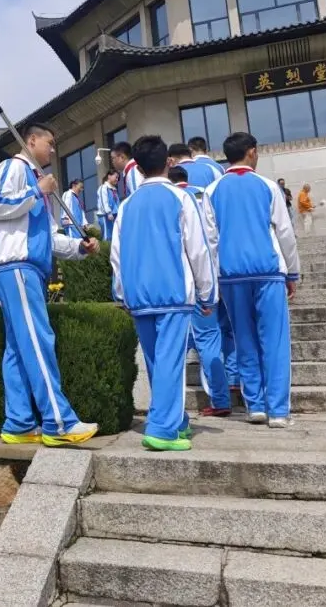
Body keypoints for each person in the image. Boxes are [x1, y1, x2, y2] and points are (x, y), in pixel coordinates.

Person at [0, 123, 99, 447]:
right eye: (49, 143)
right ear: (32, 140)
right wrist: (37, 191)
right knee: (39, 340)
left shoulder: (38, 183)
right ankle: (58, 422)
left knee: (17, 349)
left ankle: (19, 422)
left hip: (26, 269)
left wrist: (79, 248)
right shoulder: (14, 167)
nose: (52, 149)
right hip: (18, 267)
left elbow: (50, 237)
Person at [113, 138, 216, 452]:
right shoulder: (180, 197)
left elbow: (116, 255)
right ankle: (163, 430)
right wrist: (208, 294)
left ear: (138, 167)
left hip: (139, 296)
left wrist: (122, 294)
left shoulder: (126, 205)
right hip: (173, 293)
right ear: (168, 162)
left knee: (157, 362)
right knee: (170, 362)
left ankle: (177, 420)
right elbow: (198, 249)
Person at [203, 132, 300, 428]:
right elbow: (285, 232)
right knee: (275, 341)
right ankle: (278, 411)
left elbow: (210, 241)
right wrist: (292, 272)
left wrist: (213, 282)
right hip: (267, 271)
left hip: (231, 275)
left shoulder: (212, 190)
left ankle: (255, 406)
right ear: (252, 152)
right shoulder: (268, 186)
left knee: (244, 339)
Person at [167, 164, 231, 418]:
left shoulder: (171, 199)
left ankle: (171, 407)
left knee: (174, 346)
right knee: (210, 339)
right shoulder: (205, 195)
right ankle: (221, 398)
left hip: (182, 283)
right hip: (211, 278)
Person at [95, 170, 119, 240]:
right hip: (105, 216)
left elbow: (116, 203)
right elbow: (103, 201)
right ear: (109, 176)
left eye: (118, 178)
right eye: (116, 177)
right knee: (107, 237)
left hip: (113, 215)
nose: (117, 179)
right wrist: (108, 212)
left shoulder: (114, 189)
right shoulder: (103, 187)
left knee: (113, 237)